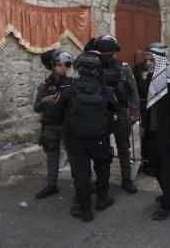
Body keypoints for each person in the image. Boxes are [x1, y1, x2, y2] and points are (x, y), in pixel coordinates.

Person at [56, 50, 116, 222]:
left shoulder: (69, 90)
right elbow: (114, 112)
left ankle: (85, 211)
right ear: (98, 69)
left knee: (81, 175)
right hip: (100, 138)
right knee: (103, 169)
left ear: (78, 68)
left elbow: (56, 111)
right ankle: (102, 201)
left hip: (76, 140)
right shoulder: (106, 91)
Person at [139, 43, 170, 220]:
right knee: (154, 165)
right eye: (146, 59)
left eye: (151, 60)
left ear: (161, 60)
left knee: (167, 169)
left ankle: (168, 205)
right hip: (153, 131)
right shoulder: (151, 78)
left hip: (169, 134)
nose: (148, 63)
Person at [94, 35, 140, 193]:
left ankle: (126, 179)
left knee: (123, 147)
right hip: (101, 112)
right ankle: (101, 179)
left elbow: (133, 91)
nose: (106, 53)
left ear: (115, 50)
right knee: (101, 148)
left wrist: (134, 112)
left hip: (120, 111)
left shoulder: (124, 68)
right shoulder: (94, 67)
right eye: (102, 50)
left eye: (109, 49)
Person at [34, 50, 73, 199]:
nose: (63, 68)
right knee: (52, 156)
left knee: (75, 156)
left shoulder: (72, 84)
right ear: (52, 66)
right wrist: (45, 100)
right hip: (50, 126)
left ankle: (83, 184)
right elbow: (36, 107)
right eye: (60, 65)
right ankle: (51, 185)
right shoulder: (45, 85)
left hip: (68, 126)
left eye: (66, 65)